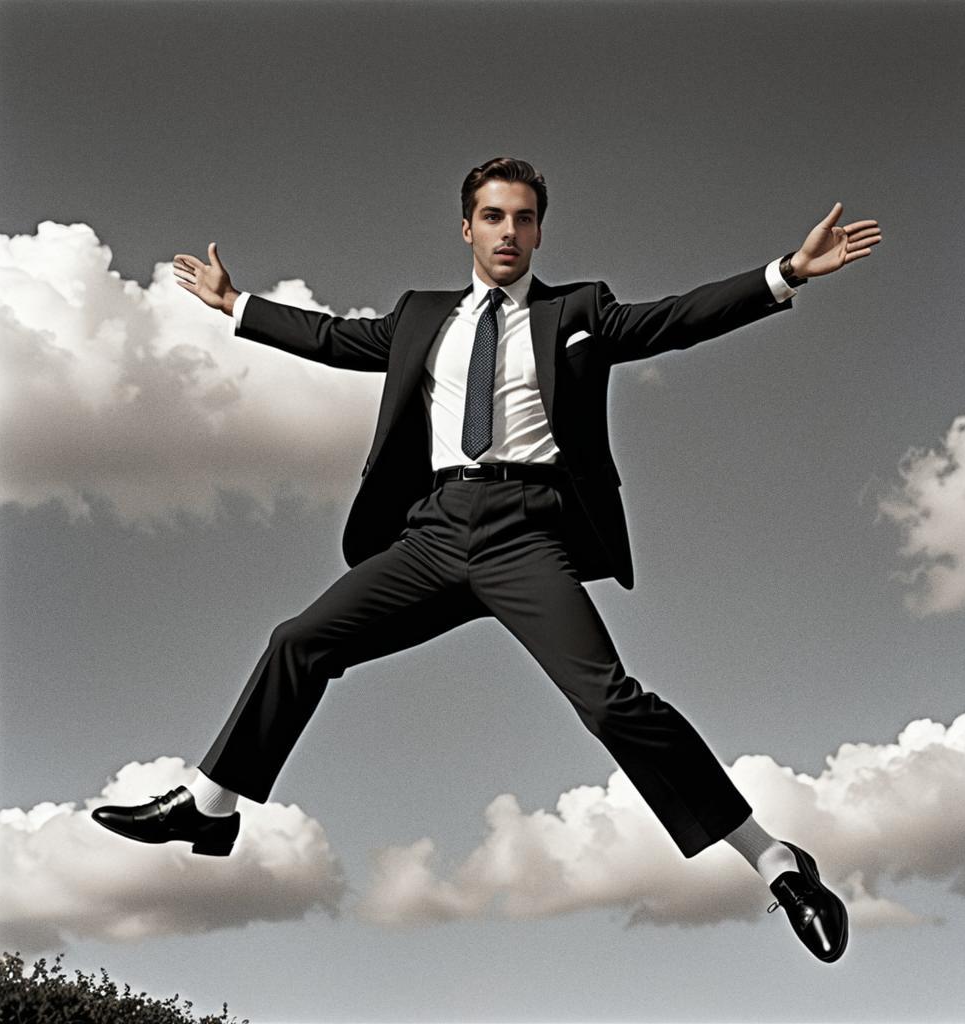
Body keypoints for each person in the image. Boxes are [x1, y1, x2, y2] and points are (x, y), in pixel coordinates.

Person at [93, 157, 881, 962]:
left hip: (526, 532)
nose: (511, 232)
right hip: (433, 530)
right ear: (467, 227)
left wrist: (785, 274)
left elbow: (674, 318)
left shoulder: (581, 310)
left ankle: (778, 863)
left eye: (526, 218)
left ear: (541, 230)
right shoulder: (420, 316)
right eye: (495, 217)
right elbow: (333, 338)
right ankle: (213, 802)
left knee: (611, 704)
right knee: (299, 641)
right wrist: (237, 306)